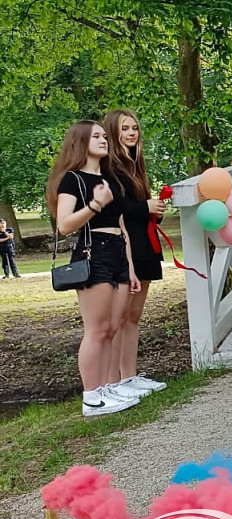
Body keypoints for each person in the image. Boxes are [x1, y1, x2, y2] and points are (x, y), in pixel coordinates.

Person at [45, 120, 147, 416]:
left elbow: (121, 225)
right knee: (97, 329)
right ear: (80, 142)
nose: (104, 140)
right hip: (93, 252)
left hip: (117, 251)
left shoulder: (109, 178)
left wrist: (130, 267)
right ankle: (91, 396)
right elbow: (64, 225)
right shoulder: (72, 180)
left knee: (113, 327)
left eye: (104, 136)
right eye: (97, 137)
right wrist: (95, 205)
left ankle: (105, 389)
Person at [101, 109, 168, 395]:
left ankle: (129, 375)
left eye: (135, 128)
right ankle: (115, 379)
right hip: (125, 244)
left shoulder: (135, 164)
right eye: (124, 128)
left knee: (135, 314)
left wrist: (155, 209)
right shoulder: (109, 168)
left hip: (145, 240)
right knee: (121, 314)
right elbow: (115, 207)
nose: (131, 133)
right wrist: (145, 208)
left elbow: (138, 204)